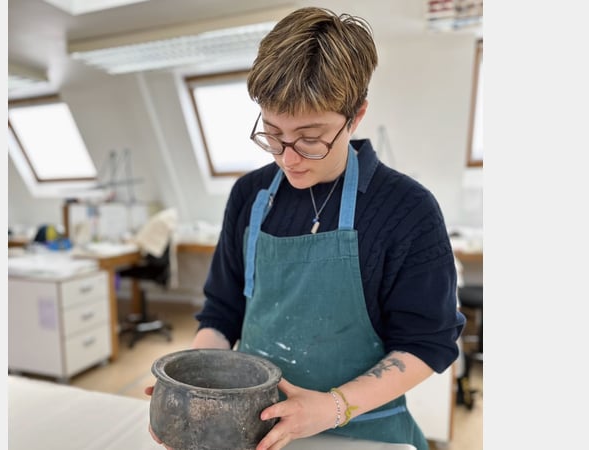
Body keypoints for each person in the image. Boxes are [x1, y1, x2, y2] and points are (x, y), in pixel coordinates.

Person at [147, 6, 465, 450]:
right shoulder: (250, 196)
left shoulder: (407, 210)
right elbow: (222, 312)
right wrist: (194, 385)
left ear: (355, 116)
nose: (288, 157)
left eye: (311, 138)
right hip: (251, 430)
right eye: (274, 134)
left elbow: (427, 344)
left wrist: (331, 406)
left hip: (365, 434)